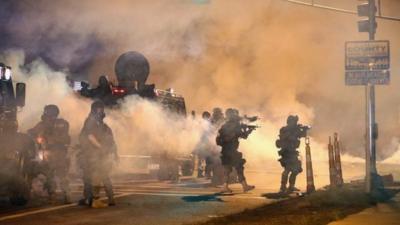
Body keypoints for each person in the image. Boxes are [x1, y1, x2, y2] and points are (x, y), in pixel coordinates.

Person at [28, 105, 71, 203]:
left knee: (50, 175)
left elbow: (33, 132)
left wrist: (43, 139)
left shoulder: (44, 124)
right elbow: (66, 138)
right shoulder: (63, 123)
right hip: (61, 154)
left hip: (50, 153)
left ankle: (53, 196)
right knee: (62, 175)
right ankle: (66, 195)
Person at [79, 101, 118, 208]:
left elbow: (110, 141)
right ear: (95, 110)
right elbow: (90, 137)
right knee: (95, 176)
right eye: (99, 109)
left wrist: (109, 151)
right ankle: (95, 199)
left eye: (101, 109)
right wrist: (101, 148)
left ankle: (96, 199)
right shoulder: (91, 121)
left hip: (97, 154)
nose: (101, 111)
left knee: (98, 176)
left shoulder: (101, 124)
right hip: (94, 154)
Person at [216, 108, 255, 193]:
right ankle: (244, 186)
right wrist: (249, 131)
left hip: (225, 151)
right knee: (239, 168)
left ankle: (225, 186)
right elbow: (243, 136)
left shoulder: (224, 126)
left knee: (227, 169)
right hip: (232, 151)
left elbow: (218, 139)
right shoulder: (235, 126)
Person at [276, 115, 309, 193]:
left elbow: (302, 135)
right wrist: (296, 130)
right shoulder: (284, 129)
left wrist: (304, 130)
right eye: (294, 121)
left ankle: (291, 186)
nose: (295, 123)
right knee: (287, 169)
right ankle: (283, 186)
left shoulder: (294, 129)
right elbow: (287, 137)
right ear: (290, 122)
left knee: (296, 169)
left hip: (292, 152)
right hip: (286, 152)